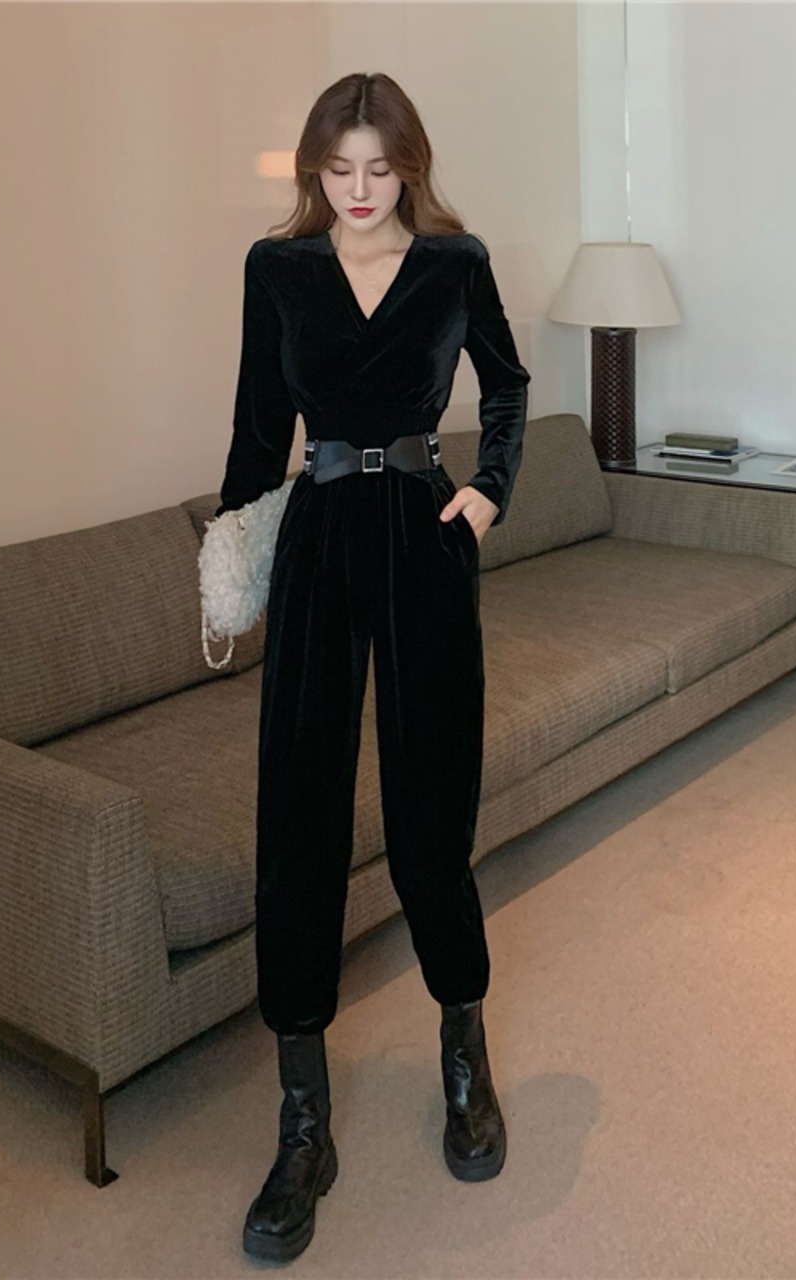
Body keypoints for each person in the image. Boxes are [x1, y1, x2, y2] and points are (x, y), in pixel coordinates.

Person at [214, 72, 531, 1264]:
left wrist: (485, 494)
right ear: (315, 168)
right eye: (338, 169)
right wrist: (231, 555)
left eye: (378, 169)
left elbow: (506, 384)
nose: (358, 190)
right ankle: (304, 1122)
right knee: (296, 818)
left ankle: (463, 1053)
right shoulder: (276, 270)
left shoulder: (453, 264)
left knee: (428, 812)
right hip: (314, 546)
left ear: (408, 166)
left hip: (421, 538)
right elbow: (257, 424)